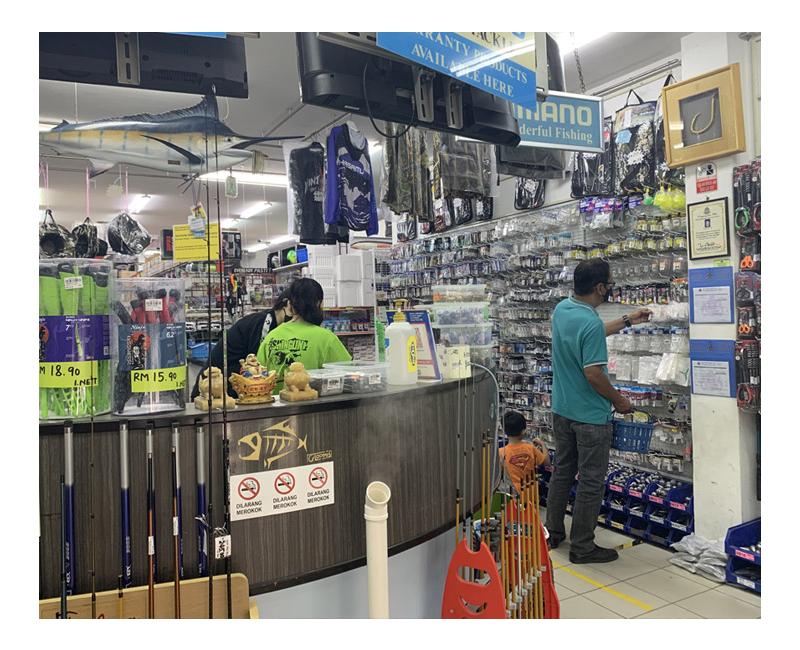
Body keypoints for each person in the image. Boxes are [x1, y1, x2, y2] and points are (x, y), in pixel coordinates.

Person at [545, 259, 651, 564]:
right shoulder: (588, 322)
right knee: (591, 483)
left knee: (562, 473)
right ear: (600, 287)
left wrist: (627, 320)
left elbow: (587, 334)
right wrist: (619, 400)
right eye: (609, 284)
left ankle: (552, 533)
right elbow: (593, 373)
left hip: (562, 410)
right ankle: (582, 547)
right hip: (590, 417)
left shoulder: (563, 309)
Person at [190, 289, 291, 399]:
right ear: (287, 305)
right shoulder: (264, 323)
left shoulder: (271, 323)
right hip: (215, 389)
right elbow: (255, 364)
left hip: (232, 388)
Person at [257, 278, 351, 391]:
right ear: (319, 303)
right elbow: (347, 374)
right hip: (313, 400)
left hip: (276, 401)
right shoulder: (326, 338)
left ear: (290, 304)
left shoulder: (271, 336)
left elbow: (258, 375)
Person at [498, 411, 548, 494]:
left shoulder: (500, 452)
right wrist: (543, 445)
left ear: (504, 431)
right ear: (523, 431)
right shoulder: (530, 448)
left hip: (512, 494)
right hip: (531, 494)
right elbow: (546, 463)